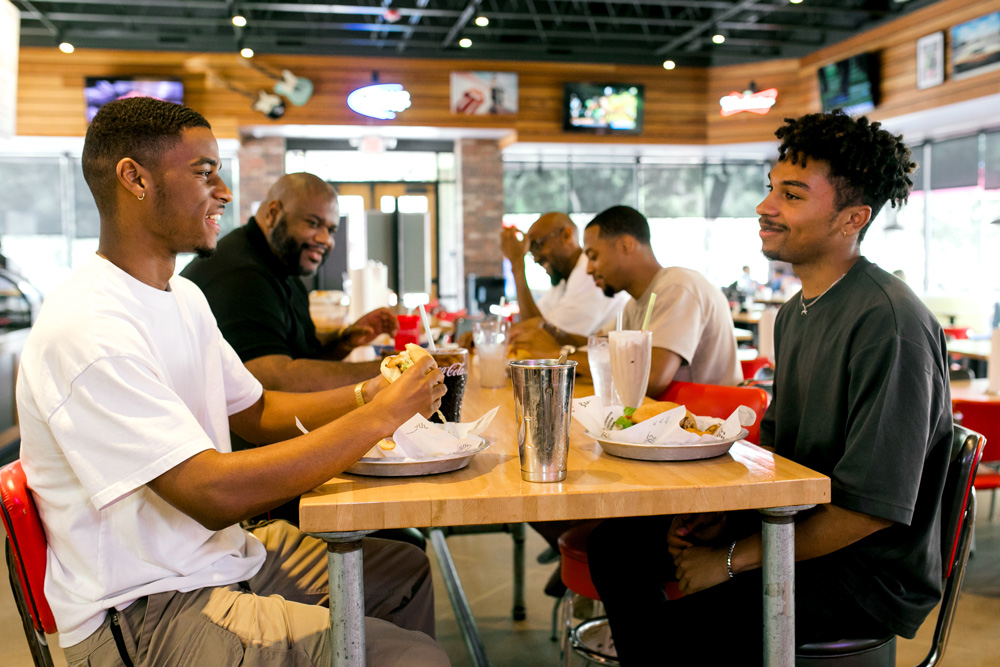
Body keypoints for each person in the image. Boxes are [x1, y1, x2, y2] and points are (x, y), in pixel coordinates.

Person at [16, 97, 449, 666]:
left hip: (220, 556)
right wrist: (381, 416)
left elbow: (257, 409)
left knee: (405, 573)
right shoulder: (88, 328)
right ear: (134, 178)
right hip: (147, 608)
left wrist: (371, 391)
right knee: (413, 660)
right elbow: (210, 494)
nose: (223, 191)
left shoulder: (184, 296)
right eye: (204, 172)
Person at [587, 111, 952, 665]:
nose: (765, 206)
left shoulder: (889, 323)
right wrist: (724, 517)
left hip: (865, 572)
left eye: (792, 195)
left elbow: (870, 510)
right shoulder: (795, 314)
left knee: (672, 636)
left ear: (852, 217)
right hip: (797, 527)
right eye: (770, 190)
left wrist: (732, 557)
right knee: (615, 548)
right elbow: (779, 459)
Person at [181, 172, 396, 392]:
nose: (325, 239)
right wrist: (394, 369)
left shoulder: (280, 265)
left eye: (330, 230)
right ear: (273, 214)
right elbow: (276, 381)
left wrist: (344, 341)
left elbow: (300, 356)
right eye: (313, 223)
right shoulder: (243, 274)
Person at [511, 205, 742, 399]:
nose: (589, 269)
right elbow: (597, 346)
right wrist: (549, 331)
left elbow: (651, 378)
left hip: (708, 428)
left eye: (593, 256)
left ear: (625, 245)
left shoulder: (678, 287)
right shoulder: (637, 303)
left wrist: (558, 356)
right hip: (668, 426)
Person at [500, 212, 627, 338]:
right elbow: (532, 324)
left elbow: (542, 338)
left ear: (567, 235)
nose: (536, 258)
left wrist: (517, 265)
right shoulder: (562, 281)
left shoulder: (591, 278)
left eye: (538, 245)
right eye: (531, 250)